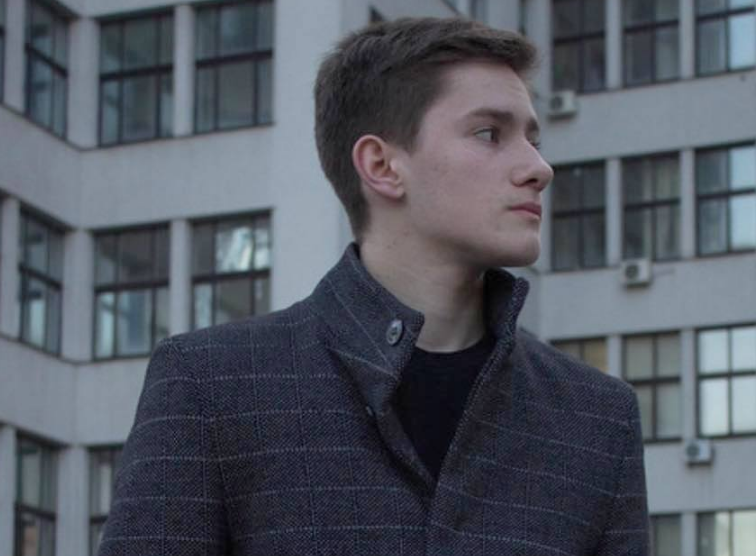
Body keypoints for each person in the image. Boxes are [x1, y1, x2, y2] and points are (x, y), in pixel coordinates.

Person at [98, 16, 649, 556]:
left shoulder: (598, 418)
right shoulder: (212, 385)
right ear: (382, 165)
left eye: (533, 139)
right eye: (489, 134)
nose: (539, 168)